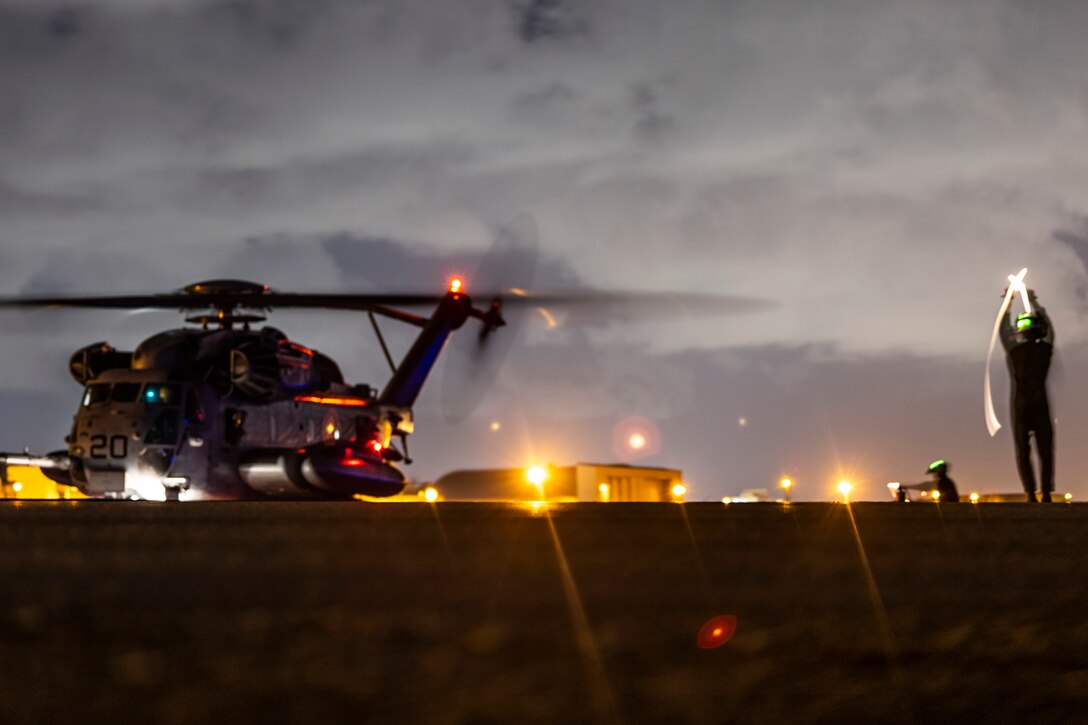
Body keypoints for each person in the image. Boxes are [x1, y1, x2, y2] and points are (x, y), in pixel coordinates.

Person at [1000, 289, 1055, 502]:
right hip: (1040, 402)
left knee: (1023, 451)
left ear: (1021, 331)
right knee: (1046, 449)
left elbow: (1004, 329)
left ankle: (1031, 493)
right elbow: (1050, 328)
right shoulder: (1046, 349)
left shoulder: (1014, 350)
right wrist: (1034, 302)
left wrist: (1009, 302)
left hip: (1020, 404)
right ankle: (1046, 493)